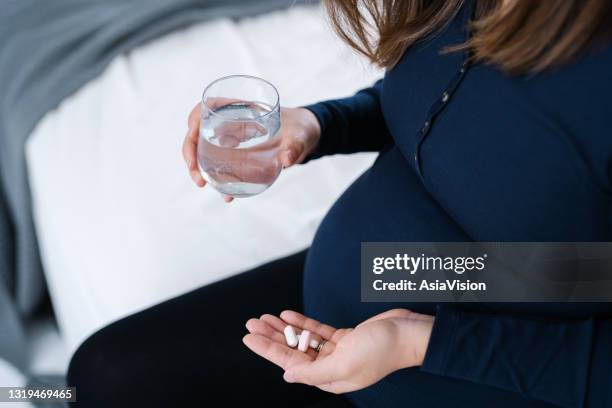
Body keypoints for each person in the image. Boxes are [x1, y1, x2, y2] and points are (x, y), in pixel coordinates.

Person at [68, 0, 612, 406]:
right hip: (400, 284)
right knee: (103, 373)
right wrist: (320, 123)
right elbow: (462, 111)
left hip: (474, 367)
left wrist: (422, 342)